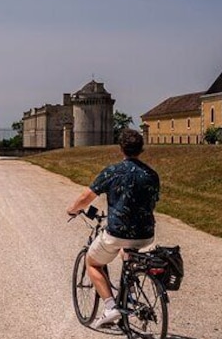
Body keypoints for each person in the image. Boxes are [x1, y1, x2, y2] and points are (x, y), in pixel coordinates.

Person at [67, 129, 160, 325]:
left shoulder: (113, 171)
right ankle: (130, 291)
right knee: (128, 253)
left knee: (92, 262)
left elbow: (87, 197)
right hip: (146, 233)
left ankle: (110, 307)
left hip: (118, 232)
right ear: (141, 149)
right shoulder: (152, 175)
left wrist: (72, 210)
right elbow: (152, 202)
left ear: (121, 148)